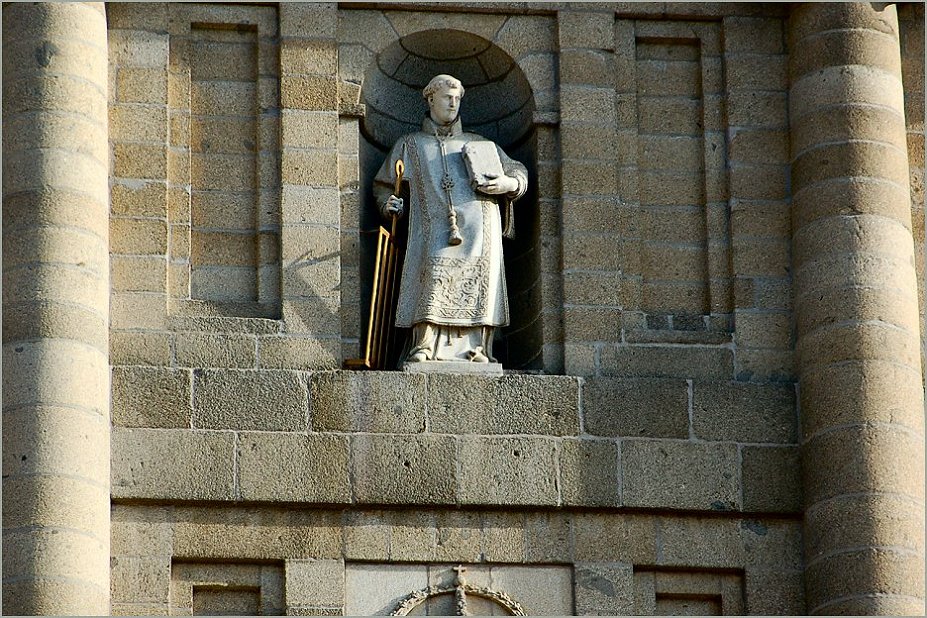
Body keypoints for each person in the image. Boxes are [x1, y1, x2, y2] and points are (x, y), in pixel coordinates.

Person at [373, 74, 528, 366]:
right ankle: (425, 345)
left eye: (457, 98)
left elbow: (518, 171)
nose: (453, 104)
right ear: (431, 99)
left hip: (481, 229)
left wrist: (508, 185)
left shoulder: (480, 143)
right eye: (447, 97)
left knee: (479, 280)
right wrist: (388, 204)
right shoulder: (410, 145)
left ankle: (477, 349)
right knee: (433, 276)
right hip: (433, 228)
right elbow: (384, 185)